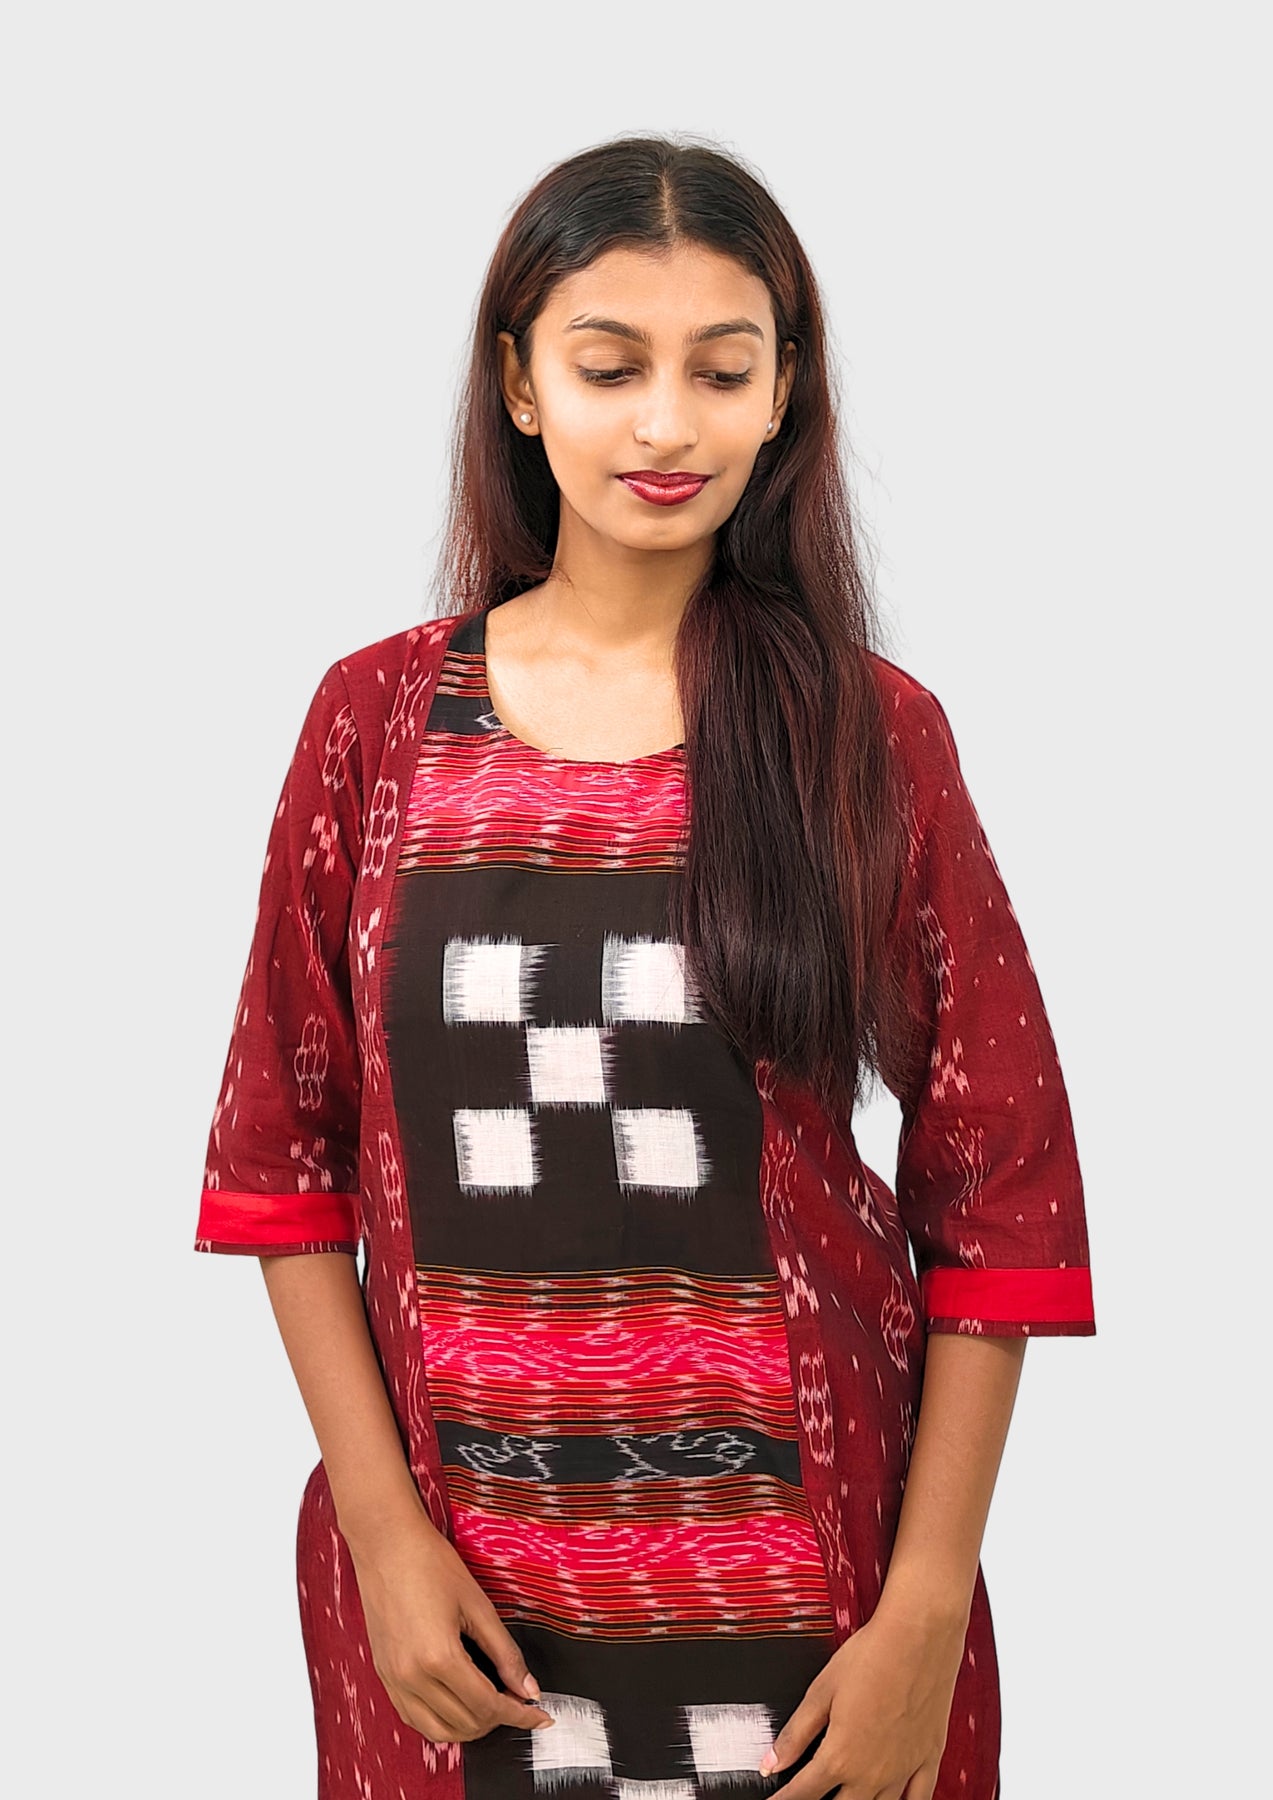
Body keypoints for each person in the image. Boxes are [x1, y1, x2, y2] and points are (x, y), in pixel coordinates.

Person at [194, 134, 1096, 1800]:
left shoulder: (864, 736)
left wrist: (920, 1615)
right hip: (464, 1634)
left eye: (720, 371)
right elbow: (284, 1157)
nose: (666, 424)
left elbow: (1002, 1193)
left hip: (819, 1631)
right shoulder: (375, 726)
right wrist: (384, 1536)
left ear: (782, 396)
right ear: (520, 386)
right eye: (610, 367)